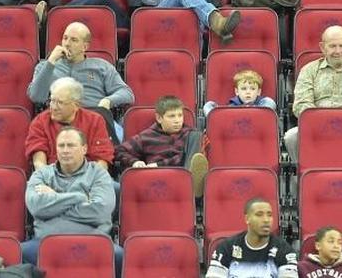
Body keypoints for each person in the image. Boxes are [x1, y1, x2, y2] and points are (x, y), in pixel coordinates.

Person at [22, 127, 116, 265]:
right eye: (61, 145)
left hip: (93, 240)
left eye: (71, 145)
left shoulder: (99, 174)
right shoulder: (41, 174)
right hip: (46, 241)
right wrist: (80, 197)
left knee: (119, 255)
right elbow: (37, 207)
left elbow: (100, 212)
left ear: (84, 149)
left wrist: (55, 199)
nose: (65, 150)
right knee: (20, 252)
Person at [284, 25, 342, 162]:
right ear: (322, 47)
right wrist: (322, 122)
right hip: (317, 127)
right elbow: (301, 105)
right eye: (332, 46)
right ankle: (305, 175)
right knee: (291, 136)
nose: (338, 51)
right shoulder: (309, 71)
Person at [27, 21, 134, 138]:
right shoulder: (45, 67)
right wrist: (51, 62)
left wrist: (108, 101)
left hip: (94, 118)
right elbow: (36, 96)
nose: (67, 44)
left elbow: (127, 94)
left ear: (85, 46)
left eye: (74, 40)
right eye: (65, 38)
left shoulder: (102, 66)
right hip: (60, 121)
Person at [114, 95, 208, 196]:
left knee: (197, 137)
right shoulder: (147, 136)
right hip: (158, 178)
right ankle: (190, 184)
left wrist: (159, 164)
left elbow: (183, 157)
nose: (177, 120)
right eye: (172, 116)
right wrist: (135, 162)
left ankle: (191, 183)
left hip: (182, 171)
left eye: (180, 115)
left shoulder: (189, 134)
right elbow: (120, 151)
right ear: (159, 118)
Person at [24, 77, 114, 172]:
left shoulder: (95, 120)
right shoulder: (40, 121)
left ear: (76, 105)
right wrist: (50, 181)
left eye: (60, 102)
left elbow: (102, 160)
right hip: (52, 176)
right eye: (52, 101)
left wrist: (87, 181)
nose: (54, 107)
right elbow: (39, 163)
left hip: (89, 176)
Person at [206, 197, 297, 278]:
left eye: (269, 215)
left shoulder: (285, 250)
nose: (266, 220)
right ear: (247, 219)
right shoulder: (226, 248)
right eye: (259, 214)